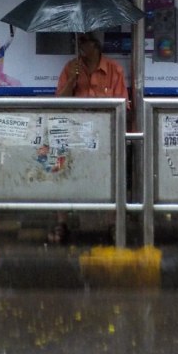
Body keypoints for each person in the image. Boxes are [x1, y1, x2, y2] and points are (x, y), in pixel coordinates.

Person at [52, 33, 129, 244]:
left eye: (84, 41)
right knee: (63, 174)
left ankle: (112, 222)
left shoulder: (114, 70)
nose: (80, 46)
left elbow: (124, 105)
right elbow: (59, 101)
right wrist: (72, 81)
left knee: (111, 176)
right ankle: (61, 222)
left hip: (104, 133)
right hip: (74, 132)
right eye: (78, 41)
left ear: (95, 45)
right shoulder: (71, 68)